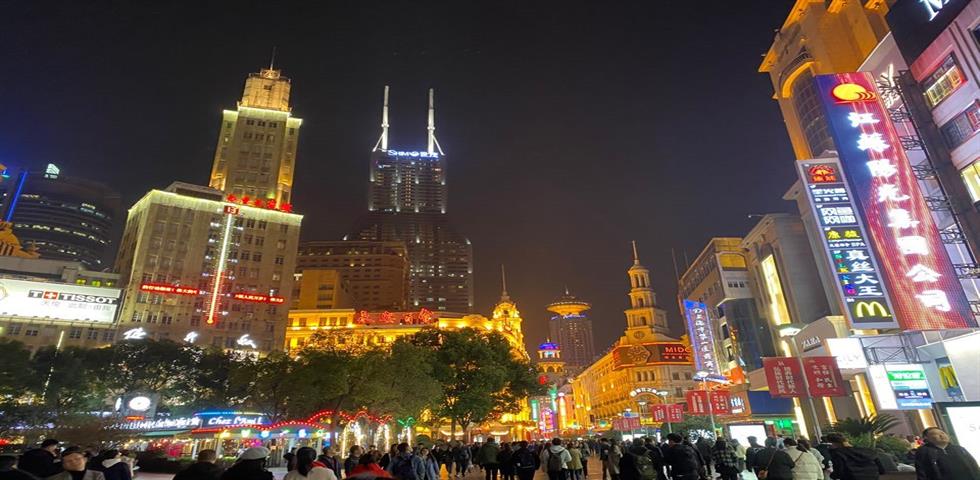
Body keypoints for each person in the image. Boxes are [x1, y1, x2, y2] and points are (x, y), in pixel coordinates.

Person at [914, 427, 980, 480]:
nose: (941, 435)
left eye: (942, 433)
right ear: (927, 438)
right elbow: (922, 473)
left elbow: (973, 465)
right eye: (935, 434)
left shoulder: (959, 449)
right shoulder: (924, 452)